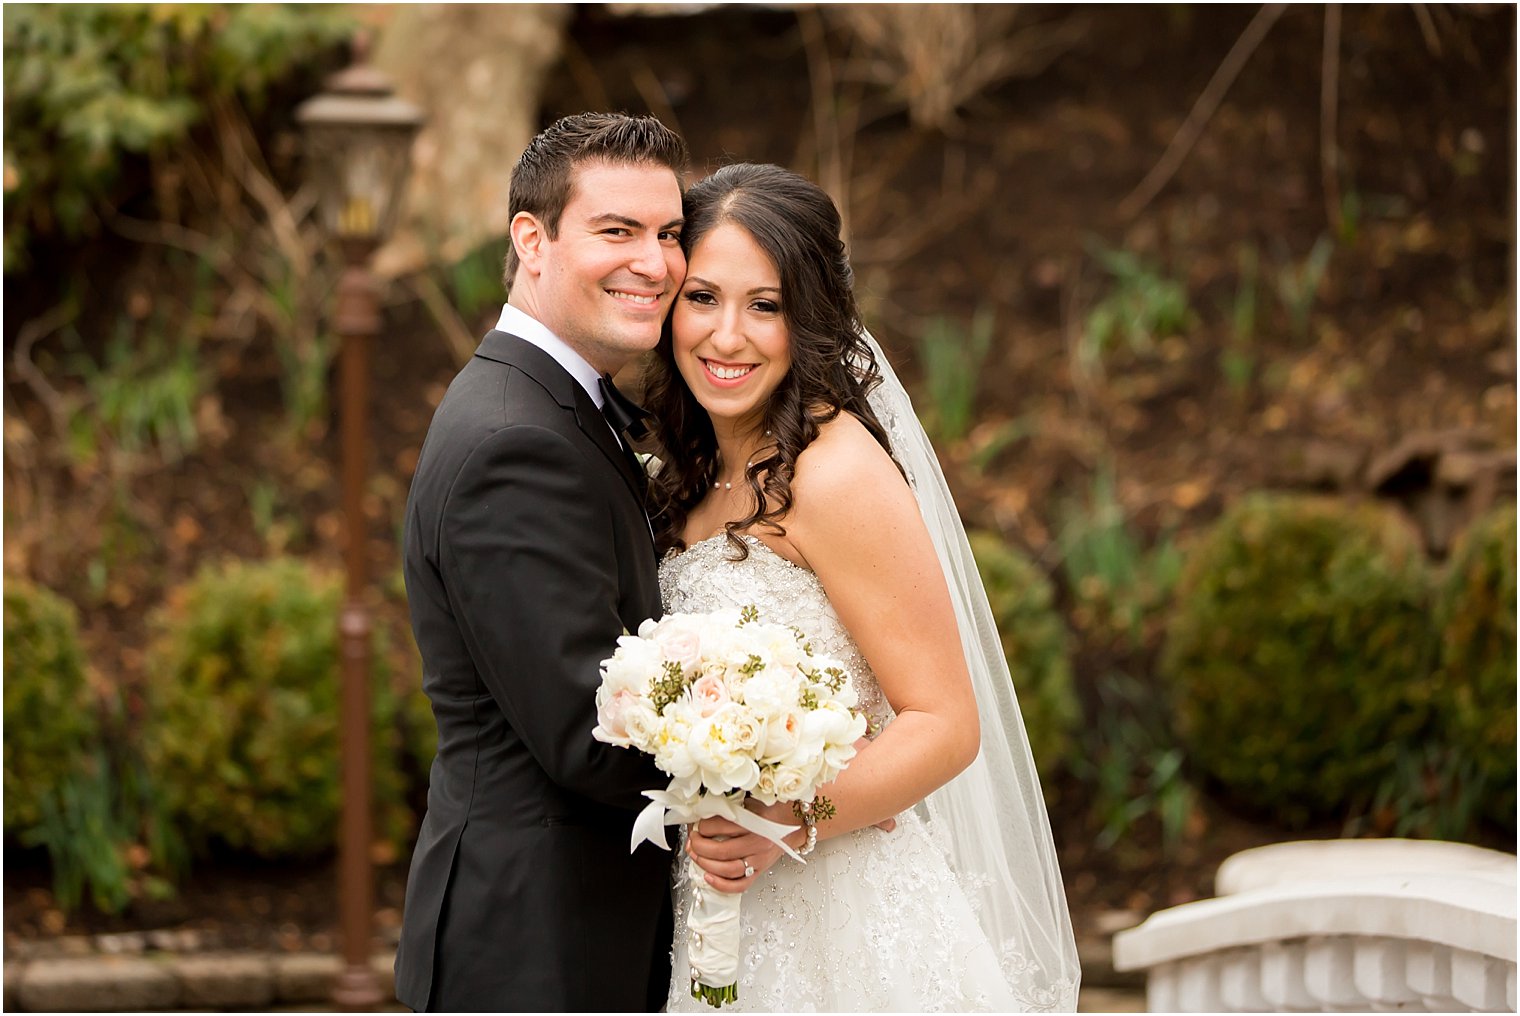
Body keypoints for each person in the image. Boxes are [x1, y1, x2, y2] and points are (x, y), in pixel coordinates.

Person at [643, 163, 1082, 1011]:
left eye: (763, 306)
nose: (725, 335)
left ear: (805, 319)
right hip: (719, 904)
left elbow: (946, 724)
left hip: (842, 920)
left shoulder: (835, 473)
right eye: (702, 297)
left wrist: (787, 817)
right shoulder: (685, 471)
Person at [394, 112, 688, 1012]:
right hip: (537, 949)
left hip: (562, 929)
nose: (656, 263)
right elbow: (586, 731)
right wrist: (773, 776)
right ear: (532, 238)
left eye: (671, 234)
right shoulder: (513, 444)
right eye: (618, 231)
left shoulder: (554, 405)